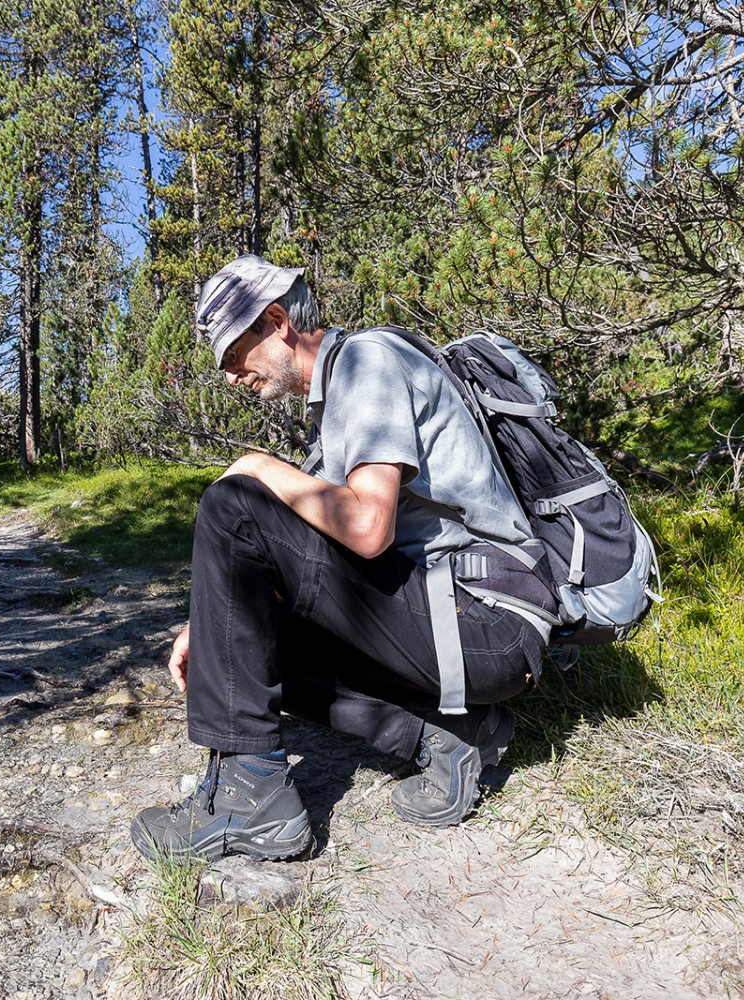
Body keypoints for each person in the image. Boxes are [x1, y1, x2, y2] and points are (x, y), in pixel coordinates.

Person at [130, 254, 559, 863]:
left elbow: (365, 528)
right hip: (458, 623)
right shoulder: (334, 410)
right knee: (235, 652)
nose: (230, 376)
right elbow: (287, 568)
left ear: (276, 321)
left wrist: (254, 466)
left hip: (489, 618)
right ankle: (448, 734)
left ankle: (249, 798)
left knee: (235, 503)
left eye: (233, 355)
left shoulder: (368, 361)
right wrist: (210, 625)